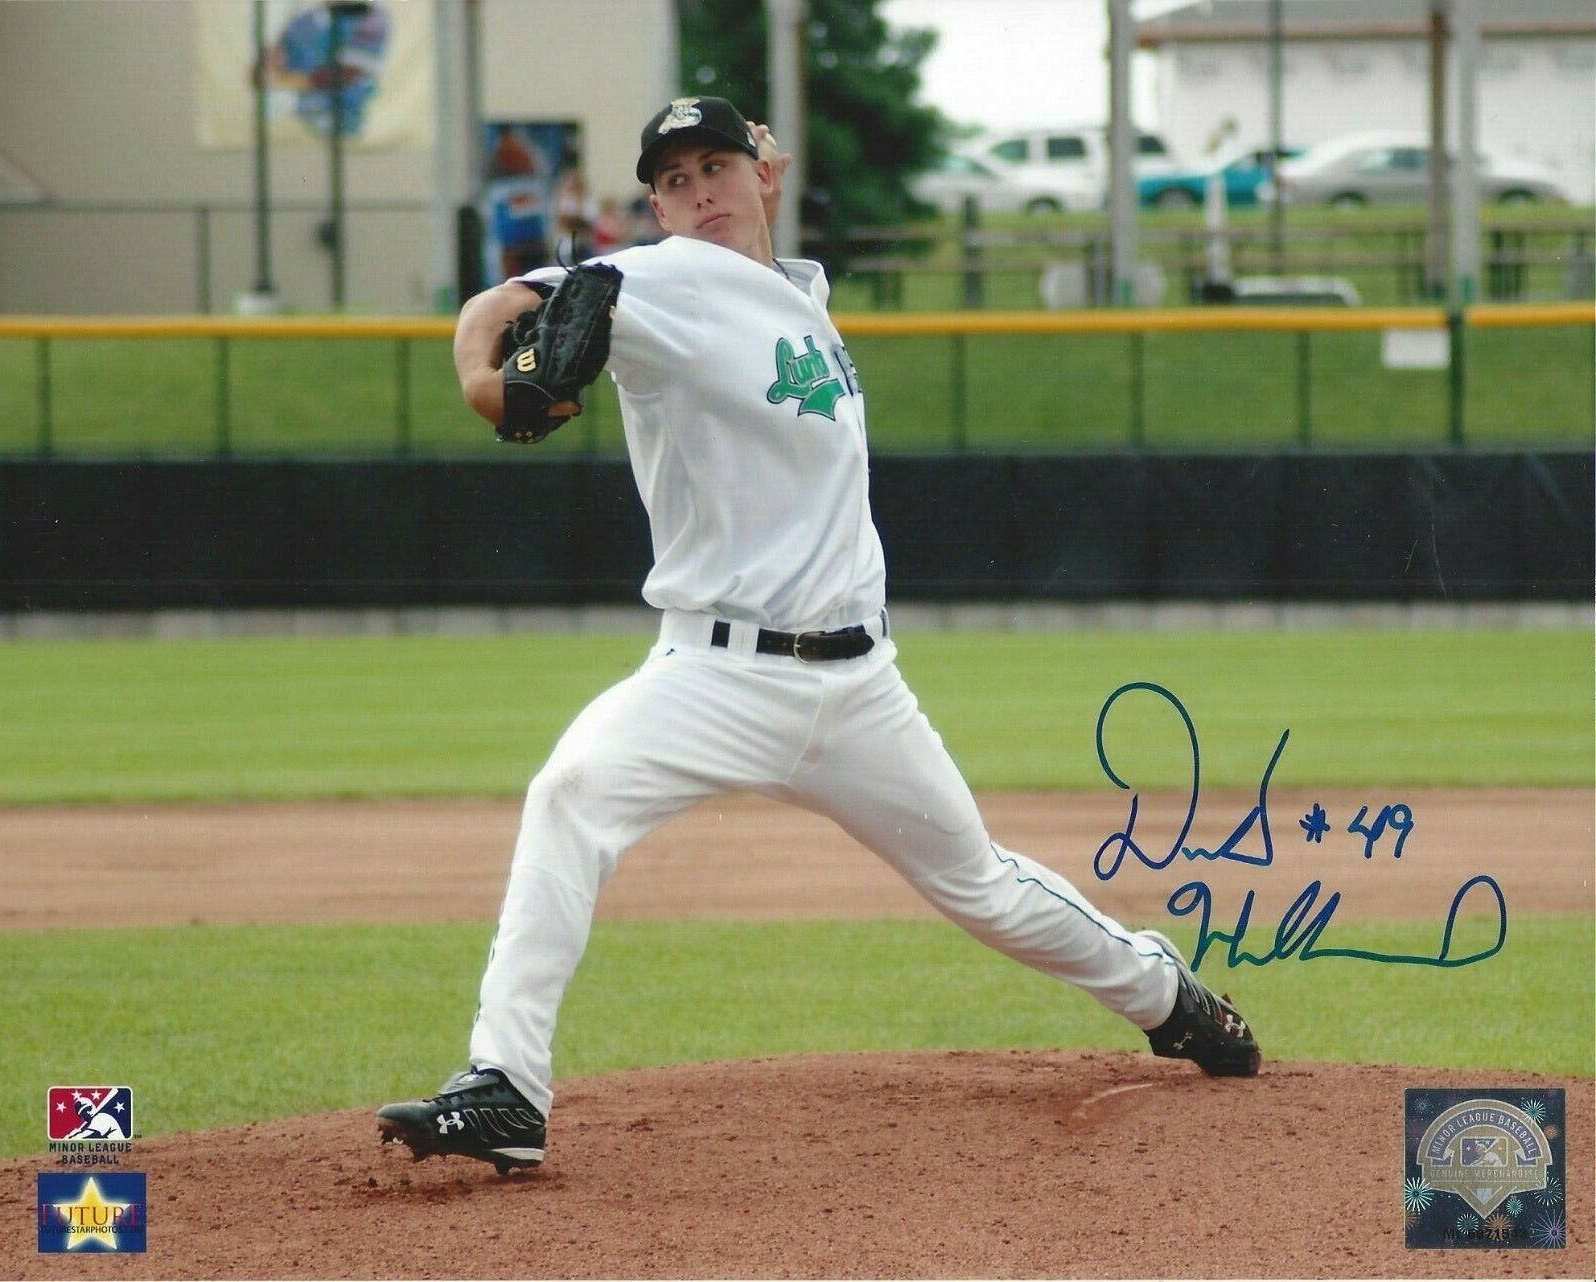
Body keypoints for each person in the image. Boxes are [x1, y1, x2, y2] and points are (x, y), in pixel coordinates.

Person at [376, 96, 1261, 1175]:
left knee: (981, 884)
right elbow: (495, 306)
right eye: (671, 181)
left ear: (767, 172)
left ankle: (1163, 993)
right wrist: (484, 379)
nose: (697, 194)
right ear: (653, 206)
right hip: (709, 674)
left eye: (715, 168)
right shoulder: (662, 279)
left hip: (859, 690)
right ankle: (507, 1086)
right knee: (568, 796)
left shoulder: (801, 294)